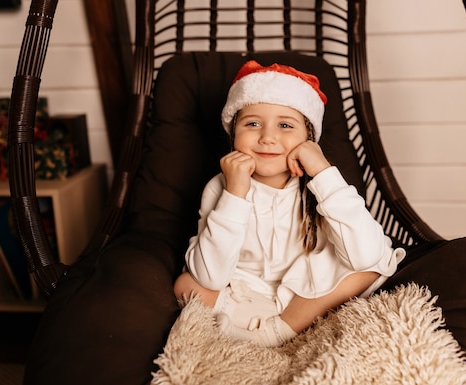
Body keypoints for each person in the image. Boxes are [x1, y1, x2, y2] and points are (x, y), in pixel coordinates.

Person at [174, 60, 405, 347]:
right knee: (187, 283)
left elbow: (366, 256)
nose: (268, 137)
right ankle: (245, 323)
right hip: (240, 292)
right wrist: (235, 194)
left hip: (304, 293)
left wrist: (321, 170)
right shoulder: (220, 186)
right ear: (233, 135)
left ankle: (276, 332)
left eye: (285, 125)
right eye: (252, 123)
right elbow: (210, 276)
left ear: (309, 139)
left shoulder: (318, 184)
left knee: (374, 264)